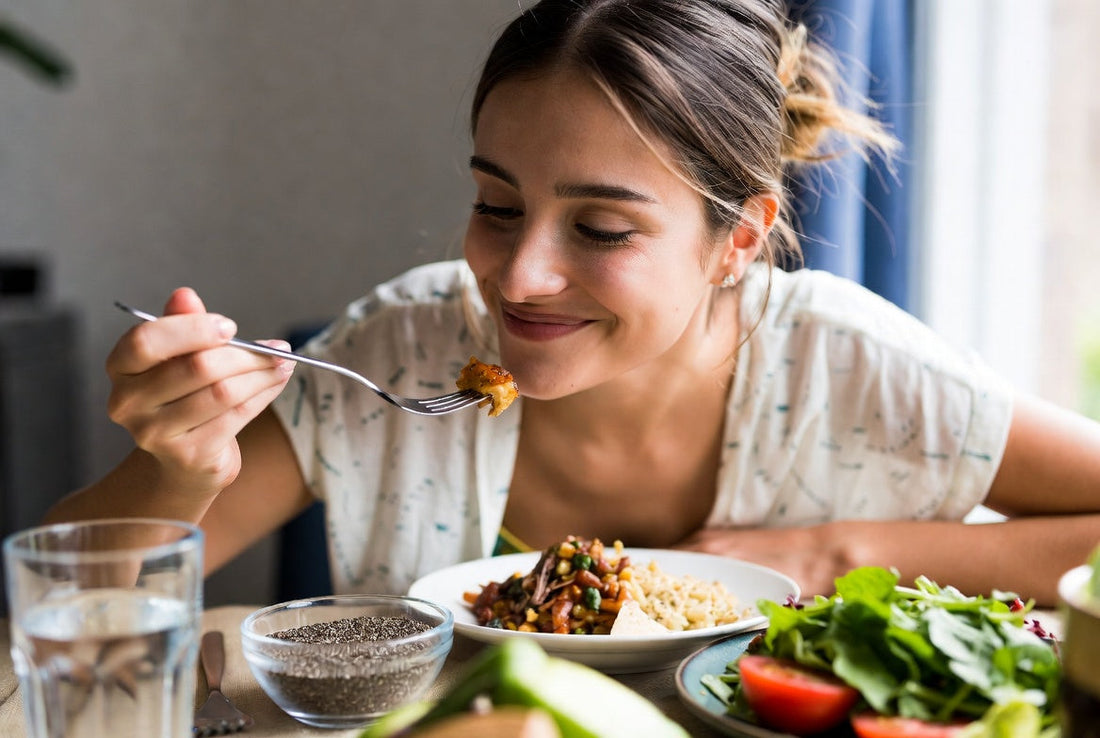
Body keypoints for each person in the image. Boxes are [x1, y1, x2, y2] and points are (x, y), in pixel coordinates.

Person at [47, 0, 1100, 606]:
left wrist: (832, 555)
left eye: (600, 229)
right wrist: (180, 469)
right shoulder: (403, 355)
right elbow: (52, 597)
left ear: (735, 239)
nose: (517, 277)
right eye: (495, 205)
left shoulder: (849, 372)